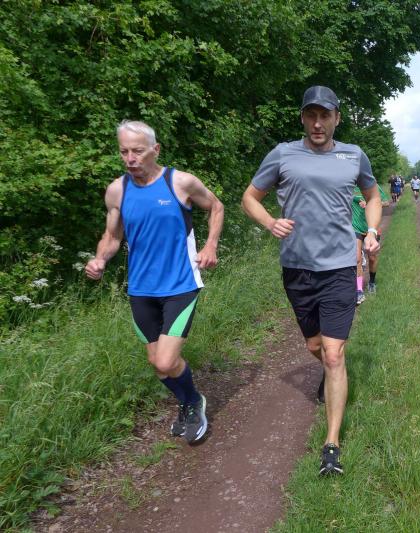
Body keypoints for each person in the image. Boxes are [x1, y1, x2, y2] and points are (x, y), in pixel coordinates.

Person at [240, 85, 381, 476]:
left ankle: (331, 445)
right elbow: (249, 197)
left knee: (334, 354)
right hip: (298, 268)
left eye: (325, 116)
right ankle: (333, 372)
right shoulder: (283, 154)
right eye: (311, 116)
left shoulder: (353, 155)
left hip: (339, 267)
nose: (318, 123)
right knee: (315, 346)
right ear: (303, 118)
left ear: (337, 118)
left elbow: (373, 196)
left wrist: (372, 230)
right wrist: (269, 221)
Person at [85, 120, 224, 444]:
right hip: (141, 289)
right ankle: (187, 402)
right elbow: (112, 236)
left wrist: (210, 245)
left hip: (180, 285)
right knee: (157, 364)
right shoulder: (117, 190)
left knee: (166, 360)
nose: (130, 158)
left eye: (137, 151)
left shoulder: (180, 182)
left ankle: (193, 402)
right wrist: (100, 259)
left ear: (155, 150)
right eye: (124, 151)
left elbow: (216, 206)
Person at [353, 185, 389, 303]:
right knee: (357, 258)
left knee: (372, 258)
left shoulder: (372, 185)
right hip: (355, 227)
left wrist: (369, 204)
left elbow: (386, 202)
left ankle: (372, 282)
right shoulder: (349, 185)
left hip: (372, 228)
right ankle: (359, 290)